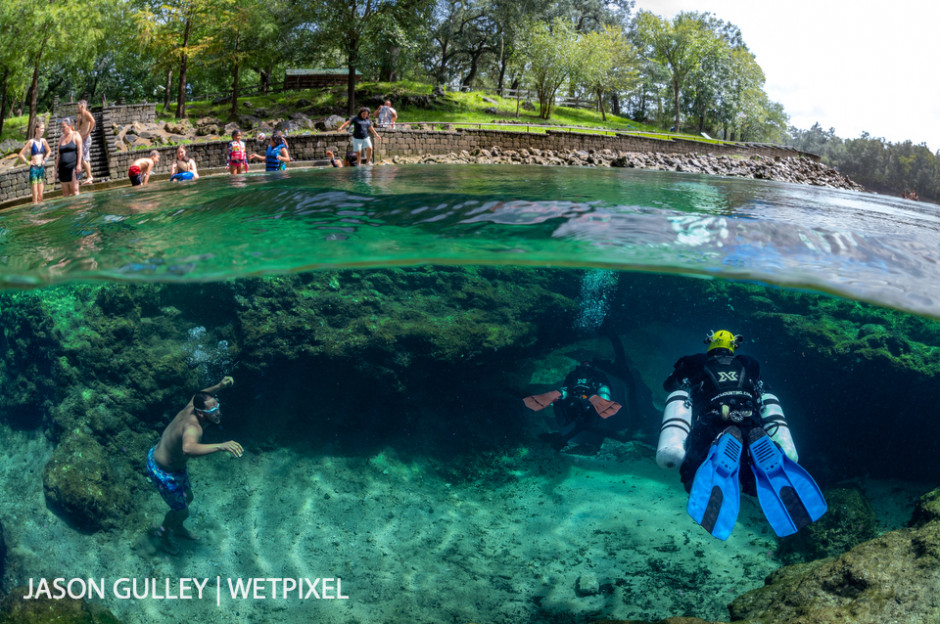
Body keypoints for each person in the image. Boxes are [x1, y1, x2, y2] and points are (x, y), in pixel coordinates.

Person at [660, 330, 827, 540]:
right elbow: (763, 389)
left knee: (693, 473)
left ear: (709, 344)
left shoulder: (694, 361)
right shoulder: (749, 363)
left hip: (712, 420)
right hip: (751, 419)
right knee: (751, 483)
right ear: (734, 345)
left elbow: (668, 385)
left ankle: (722, 440)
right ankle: (760, 446)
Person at [146, 376, 243, 554]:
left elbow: (201, 394)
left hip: (173, 466)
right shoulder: (194, 428)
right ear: (200, 413)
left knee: (188, 498)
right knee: (181, 511)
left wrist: (220, 385)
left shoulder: (194, 403)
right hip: (162, 471)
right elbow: (188, 449)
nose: (217, 412)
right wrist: (221, 446)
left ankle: (177, 527)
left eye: (217, 406)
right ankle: (162, 535)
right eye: (212, 409)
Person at [523, 361, 623, 453]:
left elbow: (565, 390)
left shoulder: (577, 375)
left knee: (567, 422)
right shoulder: (592, 376)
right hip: (582, 405)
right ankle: (559, 403)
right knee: (581, 423)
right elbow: (604, 392)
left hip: (579, 405)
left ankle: (558, 403)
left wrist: (559, 398)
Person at [17, 121, 51, 204]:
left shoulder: (43, 141)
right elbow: (20, 154)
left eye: (43, 129)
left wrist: (45, 159)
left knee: (41, 197)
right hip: (34, 170)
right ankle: (35, 215)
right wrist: (28, 162)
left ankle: (41, 215)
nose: (43, 130)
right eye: (41, 128)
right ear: (36, 129)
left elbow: (49, 151)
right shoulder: (31, 142)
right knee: (35, 198)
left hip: (41, 168)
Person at [55, 117, 83, 197]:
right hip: (62, 169)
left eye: (64, 127)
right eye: (61, 127)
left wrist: (79, 164)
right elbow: (58, 155)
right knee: (65, 193)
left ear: (69, 126)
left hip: (73, 167)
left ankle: (78, 209)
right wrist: (55, 170)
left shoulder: (76, 135)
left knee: (75, 191)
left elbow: (80, 151)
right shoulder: (61, 138)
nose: (62, 129)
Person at [76, 100, 96, 185]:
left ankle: (89, 176)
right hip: (81, 139)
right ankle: (89, 177)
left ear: (82, 106)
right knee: (86, 159)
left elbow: (93, 121)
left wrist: (88, 133)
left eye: (78, 106)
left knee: (82, 158)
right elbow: (79, 128)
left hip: (86, 139)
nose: (77, 107)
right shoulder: (79, 116)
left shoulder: (87, 114)